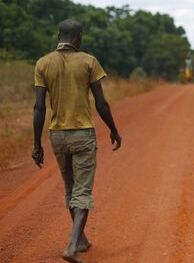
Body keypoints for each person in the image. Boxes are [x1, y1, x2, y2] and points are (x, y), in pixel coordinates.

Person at [32, 19, 122, 263]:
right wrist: (113, 129)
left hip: (57, 136)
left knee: (71, 189)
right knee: (82, 191)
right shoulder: (88, 61)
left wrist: (36, 144)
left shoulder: (42, 63)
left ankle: (80, 239)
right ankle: (72, 246)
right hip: (82, 133)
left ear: (59, 36)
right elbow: (101, 103)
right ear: (79, 37)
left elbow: (39, 107)